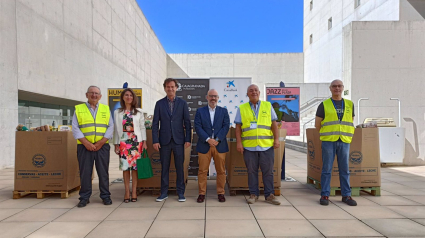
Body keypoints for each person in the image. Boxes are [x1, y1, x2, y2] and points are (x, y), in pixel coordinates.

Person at [235, 84, 281, 205]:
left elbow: (274, 124)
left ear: (259, 93)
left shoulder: (267, 105)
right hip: (249, 147)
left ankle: (269, 195)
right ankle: (253, 194)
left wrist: (277, 140)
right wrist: (239, 143)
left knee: (268, 171)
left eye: (256, 90)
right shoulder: (242, 108)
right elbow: (238, 127)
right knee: (251, 171)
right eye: (251, 90)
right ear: (247, 94)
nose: (253, 92)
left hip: (266, 145)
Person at [315, 79, 357, 206]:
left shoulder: (350, 104)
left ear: (343, 88)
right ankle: (325, 195)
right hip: (329, 141)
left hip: (344, 140)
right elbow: (318, 124)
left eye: (339, 86)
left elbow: (350, 121)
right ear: (330, 88)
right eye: (334, 86)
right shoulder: (324, 105)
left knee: (345, 169)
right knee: (327, 169)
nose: (337, 88)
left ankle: (346, 195)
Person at [72, 86, 113, 208]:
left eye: (97, 93)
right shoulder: (79, 109)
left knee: (103, 173)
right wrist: (86, 143)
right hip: (85, 147)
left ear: (100, 96)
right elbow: (75, 127)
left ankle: (105, 196)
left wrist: (101, 142)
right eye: (92, 93)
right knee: (85, 173)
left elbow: (111, 127)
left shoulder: (106, 109)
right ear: (87, 95)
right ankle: (84, 197)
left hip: (102, 146)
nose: (94, 95)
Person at [152, 78, 191, 202]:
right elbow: (155, 124)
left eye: (172, 87)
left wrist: (188, 139)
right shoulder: (159, 103)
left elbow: (187, 122)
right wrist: (155, 140)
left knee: (180, 167)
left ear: (176, 88)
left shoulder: (183, 103)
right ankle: (163, 192)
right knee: (165, 167)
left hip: (179, 140)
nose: (170, 89)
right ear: (165, 88)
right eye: (168, 87)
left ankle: (181, 192)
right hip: (164, 141)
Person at [194, 89, 230, 203]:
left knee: (221, 171)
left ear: (218, 98)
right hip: (205, 145)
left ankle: (221, 193)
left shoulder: (223, 111)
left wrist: (217, 139)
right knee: (202, 171)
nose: (213, 98)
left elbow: (226, 126)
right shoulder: (200, 111)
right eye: (211, 96)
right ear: (207, 97)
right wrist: (208, 139)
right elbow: (198, 127)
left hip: (220, 145)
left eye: (215, 96)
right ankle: (201, 193)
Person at [113, 88, 147, 203]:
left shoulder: (138, 112)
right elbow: (116, 129)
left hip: (136, 142)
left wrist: (144, 142)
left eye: (131, 95)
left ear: (134, 98)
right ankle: (127, 191)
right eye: (126, 95)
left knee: (135, 169)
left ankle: (134, 192)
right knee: (125, 168)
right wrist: (116, 144)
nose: (129, 97)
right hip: (123, 143)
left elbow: (142, 127)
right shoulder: (117, 112)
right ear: (123, 97)